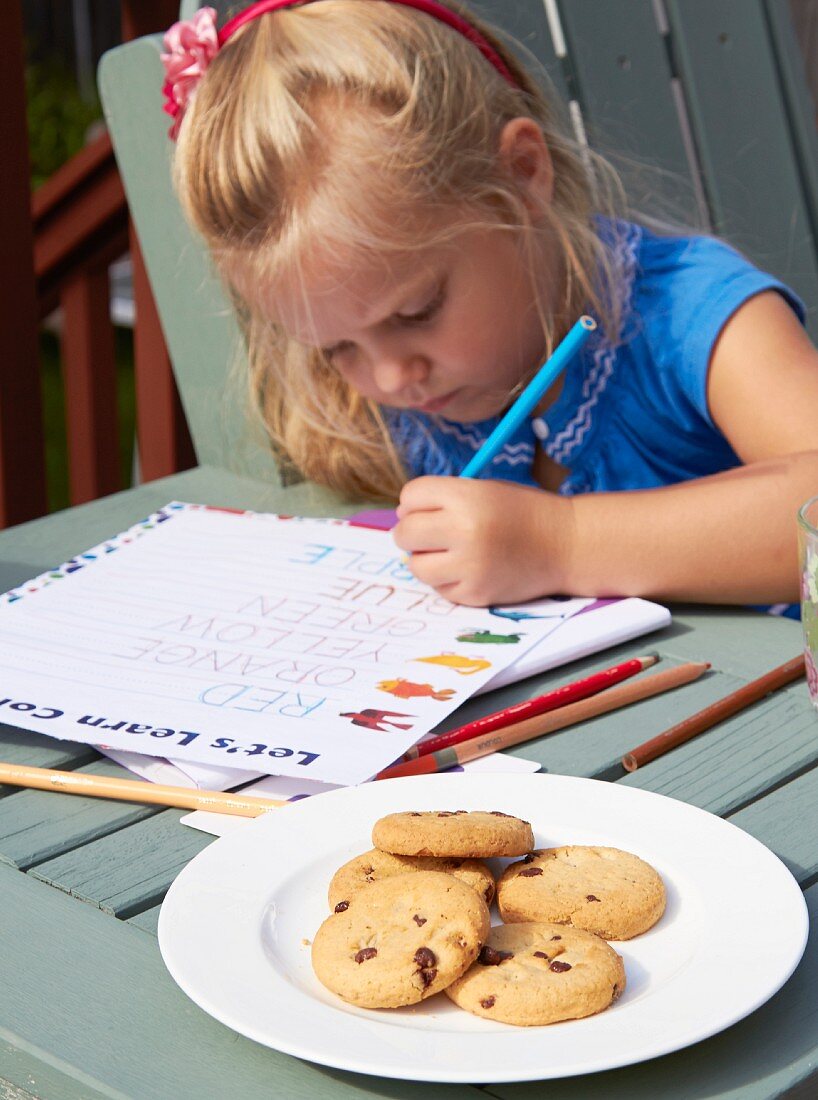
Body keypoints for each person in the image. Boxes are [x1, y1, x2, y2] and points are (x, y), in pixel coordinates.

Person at [163, 0, 818, 610]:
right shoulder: (368, 408)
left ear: (523, 174)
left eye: (418, 310)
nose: (389, 377)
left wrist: (564, 544)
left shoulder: (692, 315)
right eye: (336, 347)